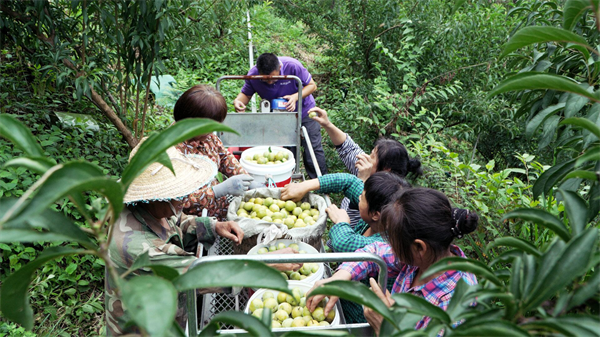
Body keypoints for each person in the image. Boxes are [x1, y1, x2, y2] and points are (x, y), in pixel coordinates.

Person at [105, 143, 245, 336]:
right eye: (178, 195)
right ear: (156, 196)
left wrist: (214, 226)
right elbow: (201, 275)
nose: (185, 199)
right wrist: (265, 268)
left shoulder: (152, 207)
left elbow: (177, 220)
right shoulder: (136, 245)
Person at [306, 188, 479, 336]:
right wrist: (340, 278)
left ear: (419, 247)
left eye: (394, 242)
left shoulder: (457, 308)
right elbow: (373, 252)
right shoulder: (423, 258)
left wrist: (386, 328)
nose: (390, 247)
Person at [281, 171, 410, 323]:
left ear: (375, 214)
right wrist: (306, 185)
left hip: (358, 316)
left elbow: (344, 243)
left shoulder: (388, 244)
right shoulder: (382, 213)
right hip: (337, 294)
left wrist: (342, 222)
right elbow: (349, 181)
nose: (359, 197)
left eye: (362, 197)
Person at [307, 106, 422, 227]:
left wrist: (362, 181)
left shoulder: (388, 197)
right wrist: (327, 124)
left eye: (372, 156)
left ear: (386, 169)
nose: (365, 157)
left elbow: (359, 221)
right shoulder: (368, 167)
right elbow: (347, 147)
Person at [174, 85, 262, 221]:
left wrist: (248, 180)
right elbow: (177, 202)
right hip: (194, 224)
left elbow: (225, 157)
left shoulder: (207, 137)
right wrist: (217, 191)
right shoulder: (173, 152)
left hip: (220, 214)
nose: (212, 130)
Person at [233, 53, 327, 179]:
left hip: (304, 111)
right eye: (265, 79)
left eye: (273, 78)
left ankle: (321, 183)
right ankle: (288, 178)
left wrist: (295, 97)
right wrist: (238, 102)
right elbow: (245, 94)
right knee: (287, 151)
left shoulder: (292, 66)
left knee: (312, 149)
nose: (270, 82)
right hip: (280, 117)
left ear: (280, 68)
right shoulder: (253, 75)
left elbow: (312, 85)